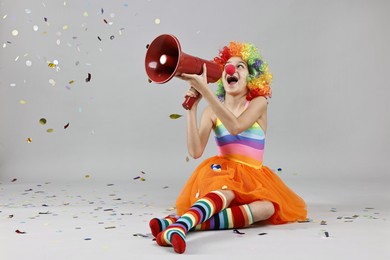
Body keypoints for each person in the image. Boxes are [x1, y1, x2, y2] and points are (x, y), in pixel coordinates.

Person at [149, 42, 307, 254]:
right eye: (228, 66)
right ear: (223, 78)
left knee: (268, 208)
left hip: (253, 176)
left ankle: (177, 222)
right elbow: (195, 152)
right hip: (222, 172)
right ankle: (180, 227)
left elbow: (235, 126)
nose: (232, 69)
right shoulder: (211, 111)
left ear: (252, 78)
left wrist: (205, 90)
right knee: (228, 191)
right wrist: (191, 110)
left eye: (240, 66)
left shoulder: (259, 103)